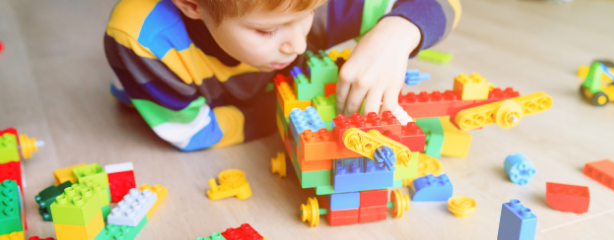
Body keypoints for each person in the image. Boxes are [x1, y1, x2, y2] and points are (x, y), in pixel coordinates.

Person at [105, 0, 461, 151]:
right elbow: (193, 130)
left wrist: (396, 34)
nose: (298, 42)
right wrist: (287, 112)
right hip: (181, 93)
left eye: (311, 12)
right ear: (192, 5)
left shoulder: (308, 8)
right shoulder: (141, 41)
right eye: (266, 32)